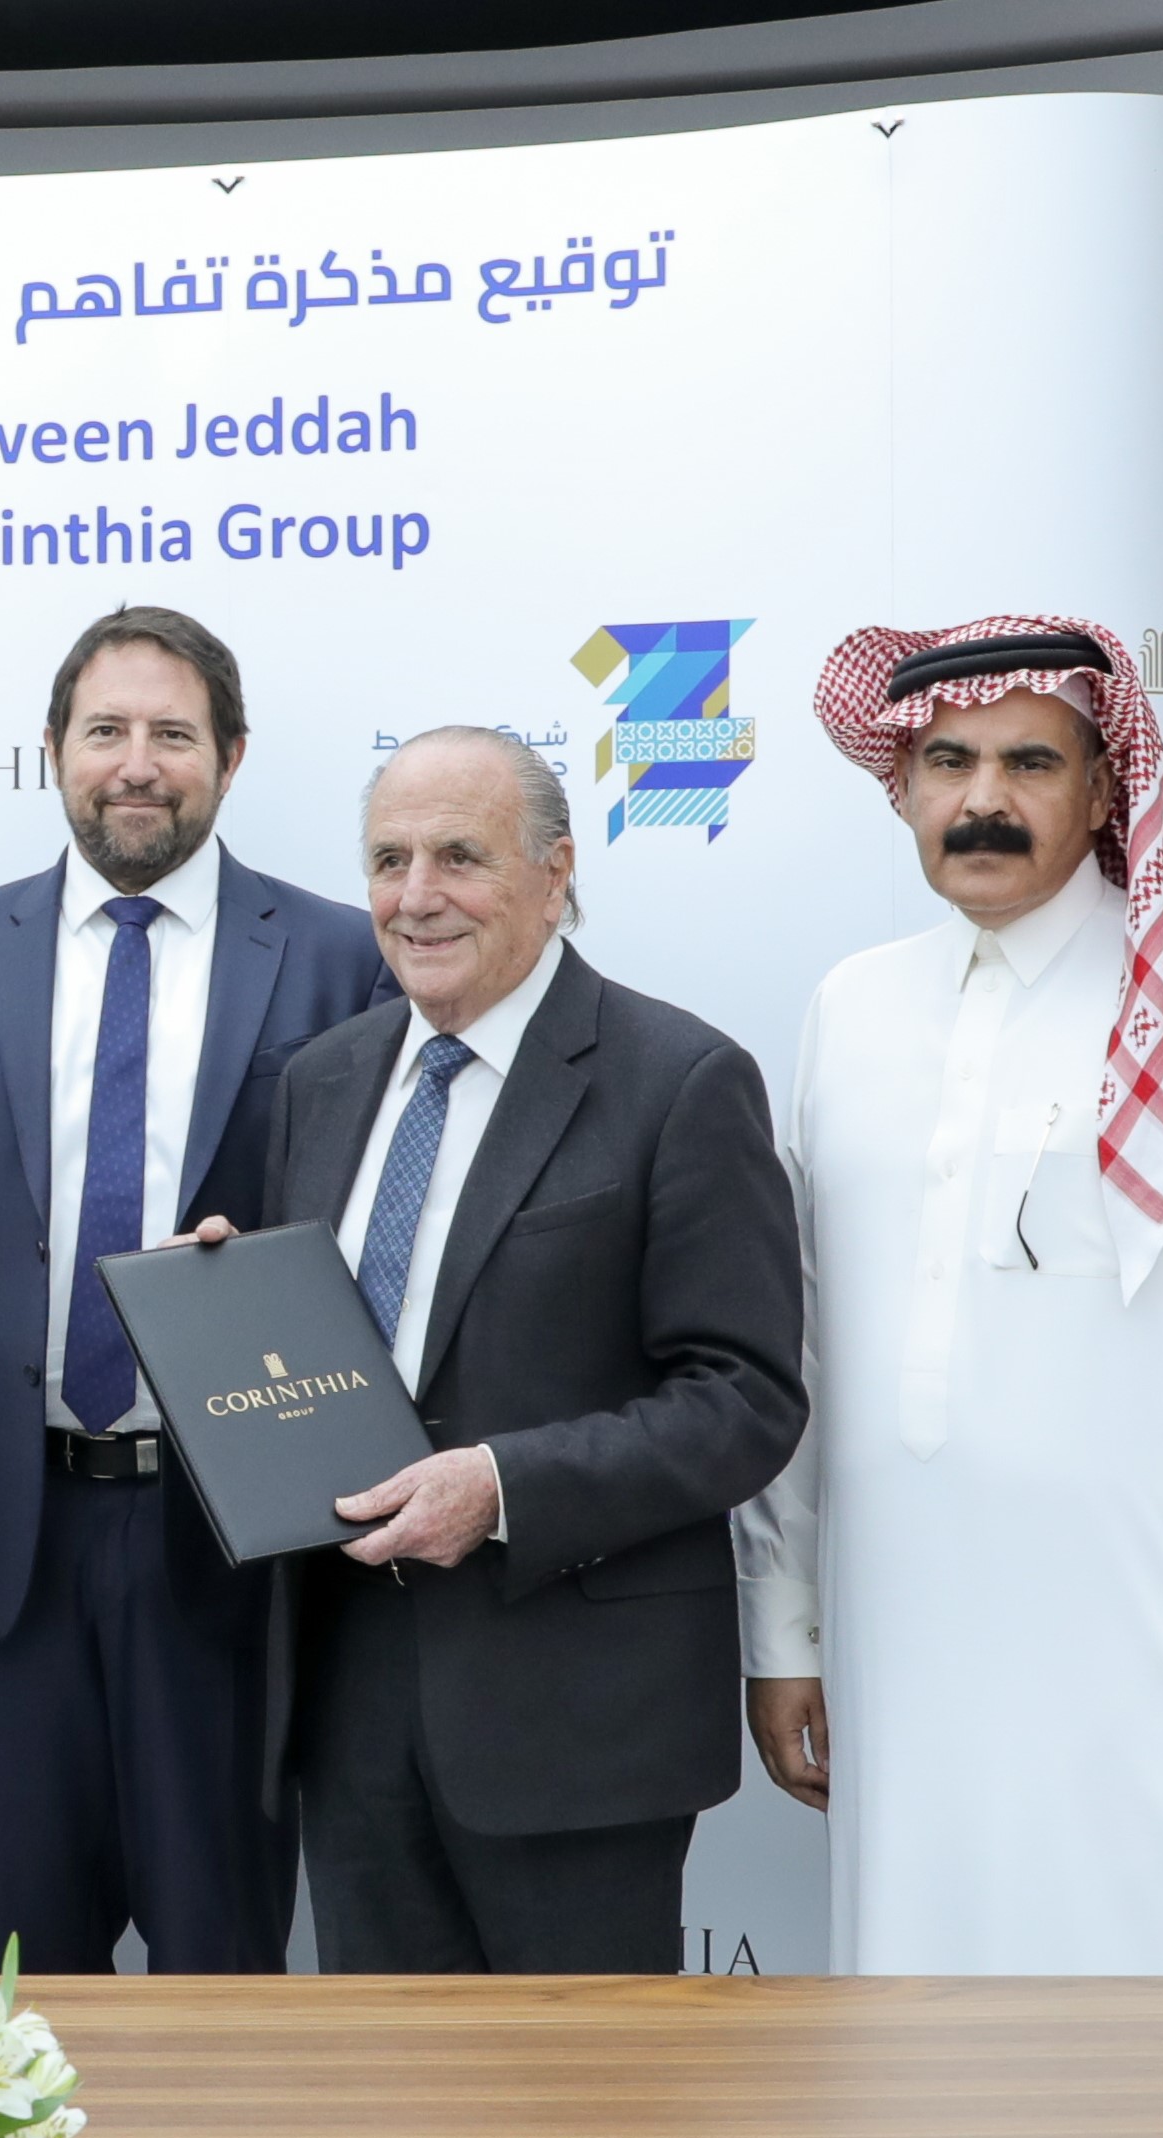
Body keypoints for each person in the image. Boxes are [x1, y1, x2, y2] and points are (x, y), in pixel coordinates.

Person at [736, 619, 1163, 1974]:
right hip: (910, 1657)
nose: (981, 800)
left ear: (1103, 790)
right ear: (900, 786)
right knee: (927, 2020)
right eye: (947, 763)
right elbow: (800, 1348)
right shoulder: (850, 1010)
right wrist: (783, 1627)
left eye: (1029, 763)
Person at [209, 729, 804, 1975]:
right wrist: (223, 1303)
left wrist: (502, 1488)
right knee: (394, 2082)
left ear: (554, 872)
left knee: (580, 2088)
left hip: (576, 1717)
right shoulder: (322, 1079)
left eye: (459, 858)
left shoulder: (679, 1079)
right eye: (388, 860)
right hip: (348, 1693)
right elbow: (332, 1362)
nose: (415, 896)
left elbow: (741, 1398)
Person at [0, 608, 383, 1974]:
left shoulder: (341, 955)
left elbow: (389, 1237)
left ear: (231, 757)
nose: (136, 764)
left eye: (171, 734)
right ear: (51, 750)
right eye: (105, 731)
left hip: (234, 1544)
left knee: (224, 1959)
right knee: (21, 1976)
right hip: (0, 1546)